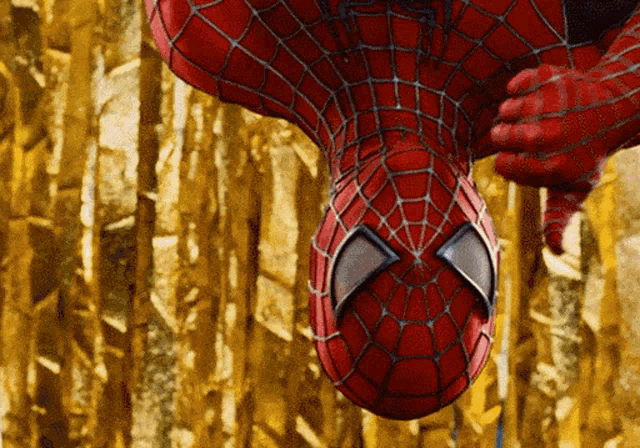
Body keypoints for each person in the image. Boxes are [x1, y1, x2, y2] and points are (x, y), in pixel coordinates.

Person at [146, 0, 640, 419]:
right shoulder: (568, 62)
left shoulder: (215, 32)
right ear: (489, 246)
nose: (418, 247)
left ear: (321, 256)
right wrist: (617, 99)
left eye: (365, 262)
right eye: (464, 261)